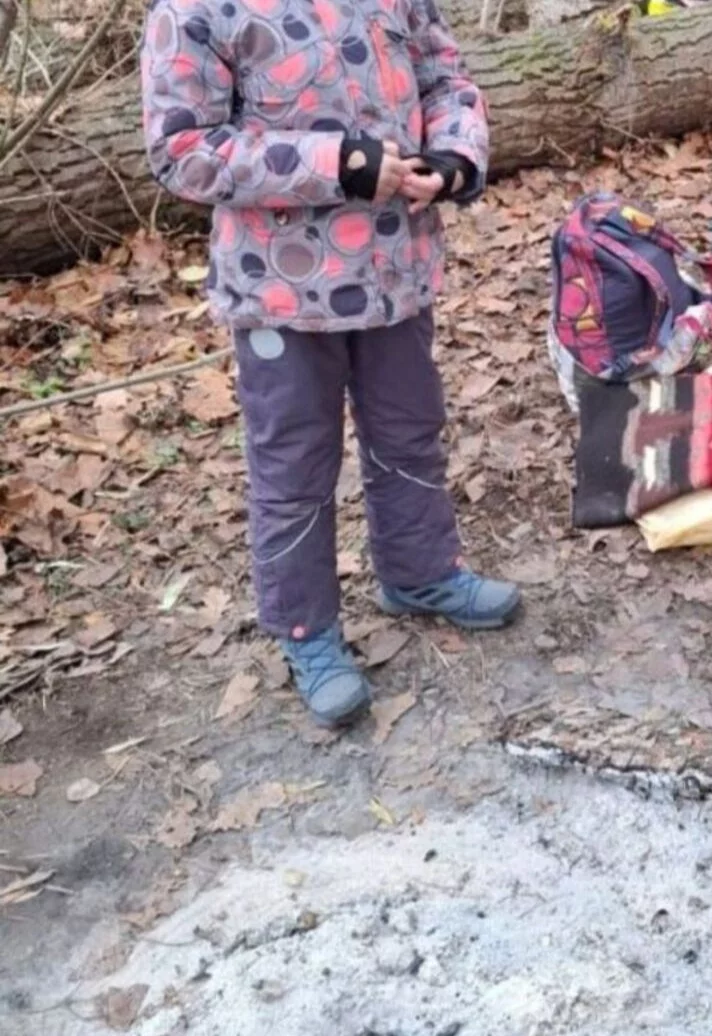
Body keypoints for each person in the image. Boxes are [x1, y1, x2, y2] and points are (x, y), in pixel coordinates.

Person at [141, 0, 520, 727]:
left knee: (410, 430)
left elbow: (446, 79)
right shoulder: (193, 11)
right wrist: (337, 165)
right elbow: (182, 150)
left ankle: (421, 574)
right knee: (294, 464)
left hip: (395, 271)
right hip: (279, 294)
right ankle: (305, 630)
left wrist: (453, 156)